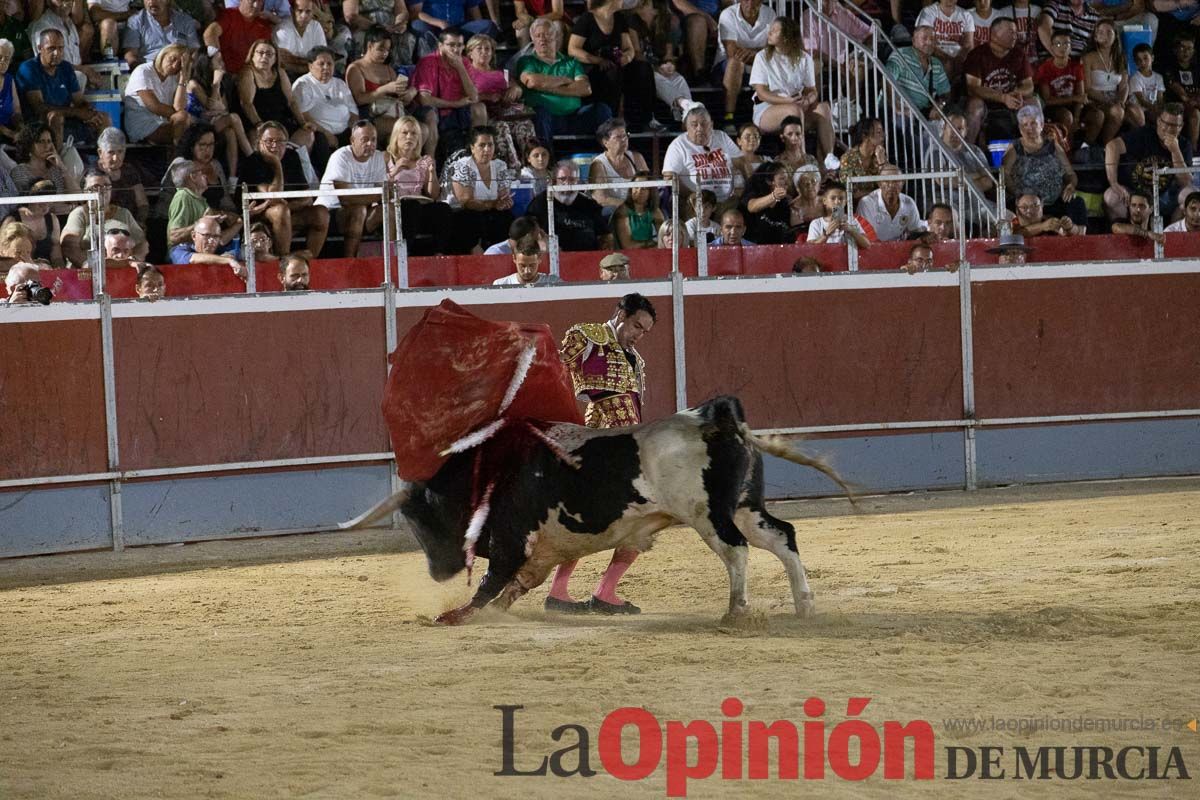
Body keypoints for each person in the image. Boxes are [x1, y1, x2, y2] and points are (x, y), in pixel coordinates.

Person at [548, 292, 657, 614]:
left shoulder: (637, 360)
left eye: (644, 331)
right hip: (594, 444)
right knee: (588, 517)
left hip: (626, 449)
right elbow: (552, 369)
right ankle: (562, 589)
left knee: (642, 518)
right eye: (636, 325)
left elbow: (634, 413)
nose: (638, 335)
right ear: (621, 313)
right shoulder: (587, 335)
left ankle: (603, 591)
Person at [512, 17, 612, 147]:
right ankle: (547, 159)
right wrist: (565, 80)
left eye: (547, 34)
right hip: (547, 119)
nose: (542, 39)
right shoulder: (526, 61)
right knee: (540, 112)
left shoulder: (571, 62)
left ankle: (604, 159)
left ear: (556, 37)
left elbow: (585, 89)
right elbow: (532, 81)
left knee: (602, 109)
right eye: (538, 35)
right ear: (533, 39)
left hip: (574, 117)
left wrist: (546, 86)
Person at [748, 16, 832, 161]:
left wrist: (808, 100)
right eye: (771, 30)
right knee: (794, 110)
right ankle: (802, 157)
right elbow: (761, 93)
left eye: (774, 31)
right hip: (767, 109)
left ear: (786, 37)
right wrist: (786, 101)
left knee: (824, 109)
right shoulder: (762, 57)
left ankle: (828, 159)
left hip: (797, 105)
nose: (769, 33)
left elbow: (812, 90)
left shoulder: (804, 58)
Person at [241, 119, 329, 256]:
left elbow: (307, 197)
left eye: (280, 142)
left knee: (321, 213)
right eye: (269, 141)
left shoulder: (292, 157)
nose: (275, 146)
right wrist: (277, 164)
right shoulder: (253, 161)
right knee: (280, 211)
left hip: (287, 213)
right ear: (259, 143)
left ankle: (310, 261)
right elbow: (273, 196)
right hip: (257, 217)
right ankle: (284, 261)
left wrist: (287, 205)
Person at [569, 0, 656, 131]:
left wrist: (627, 56)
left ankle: (644, 121)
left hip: (616, 64)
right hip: (593, 68)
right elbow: (573, 49)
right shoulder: (588, 18)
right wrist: (597, 60)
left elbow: (629, 48)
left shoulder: (619, 18)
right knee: (612, 72)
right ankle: (611, 122)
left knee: (643, 68)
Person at [16, 29, 109, 145]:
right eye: (51, 48)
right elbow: (39, 108)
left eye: (60, 48)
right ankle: (56, 162)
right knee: (56, 117)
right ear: (40, 48)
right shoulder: (28, 68)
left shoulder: (66, 67)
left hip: (67, 119)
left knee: (103, 117)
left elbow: (79, 101)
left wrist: (89, 113)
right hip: (39, 124)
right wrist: (77, 112)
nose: (56, 53)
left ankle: (102, 159)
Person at [1002, 104, 1088, 229]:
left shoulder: (1053, 146)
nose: (1029, 128)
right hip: (1027, 203)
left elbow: (1070, 174)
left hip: (1054, 200)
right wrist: (1018, 194)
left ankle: (1078, 239)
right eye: (1024, 125)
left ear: (1041, 125)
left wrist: (1070, 185)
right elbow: (1004, 175)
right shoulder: (1015, 148)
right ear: (1020, 129)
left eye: (1033, 124)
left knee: (1077, 203)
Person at [1104, 103, 1192, 222]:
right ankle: (1127, 234)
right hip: (1136, 194)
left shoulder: (1184, 144)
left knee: (1190, 195)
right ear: (1159, 122)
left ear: (1181, 127)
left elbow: (1185, 181)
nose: (1169, 129)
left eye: (1174, 125)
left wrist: (1175, 150)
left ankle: (1173, 235)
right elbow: (1112, 146)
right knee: (1111, 197)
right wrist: (1114, 183)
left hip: (1164, 195)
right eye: (1165, 123)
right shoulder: (1144, 134)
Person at [385, 113, 452, 255]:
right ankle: (405, 254)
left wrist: (432, 172)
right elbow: (381, 186)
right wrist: (395, 169)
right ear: (396, 135)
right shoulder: (386, 157)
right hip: (396, 207)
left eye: (414, 133)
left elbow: (433, 195)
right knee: (411, 207)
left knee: (443, 208)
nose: (409, 137)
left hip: (418, 206)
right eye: (405, 133)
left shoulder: (423, 161)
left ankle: (439, 253)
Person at [318, 119, 386, 256]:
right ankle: (350, 261)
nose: (370, 144)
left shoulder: (378, 157)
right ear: (352, 140)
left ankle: (394, 260)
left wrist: (380, 196)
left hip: (361, 213)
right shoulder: (340, 157)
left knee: (389, 210)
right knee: (358, 210)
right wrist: (378, 196)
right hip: (330, 213)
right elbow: (346, 199)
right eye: (365, 140)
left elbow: (383, 194)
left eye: (374, 140)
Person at [963, 17, 1033, 145]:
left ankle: (1034, 147)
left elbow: (1029, 85)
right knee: (974, 105)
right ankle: (967, 152)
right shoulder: (977, 54)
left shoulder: (1019, 54)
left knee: (1033, 102)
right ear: (994, 35)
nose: (1015, 36)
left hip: (1012, 100)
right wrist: (1002, 97)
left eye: (1016, 33)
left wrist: (1017, 93)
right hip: (986, 102)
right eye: (1010, 32)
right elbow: (973, 88)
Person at [345, 24, 418, 147]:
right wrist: (383, 89)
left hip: (393, 114)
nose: (385, 54)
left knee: (422, 130)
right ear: (369, 46)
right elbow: (359, 99)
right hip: (370, 117)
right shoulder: (356, 68)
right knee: (406, 130)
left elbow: (400, 101)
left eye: (387, 50)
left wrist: (409, 93)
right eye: (381, 49)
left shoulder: (389, 69)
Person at [238, 38, 316, 152]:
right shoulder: (247, 73)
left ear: (275, 58)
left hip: (281, 122)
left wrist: (302, 122)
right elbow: (246, 104)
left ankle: (294, 160)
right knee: (260, 141)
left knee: (308, 134)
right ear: (252, 55)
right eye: (260, 53)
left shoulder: (280, 72)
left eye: (269, 54)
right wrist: (260, 125)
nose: (264, 57)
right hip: (257, 123)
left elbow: (291, 101)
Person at [185, 49, 253, 179]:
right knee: (234, 117)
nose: (222, 63)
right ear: (207, 63)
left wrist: (217, 90)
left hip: (212, 122)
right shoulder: (194, 84)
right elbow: (210, 106)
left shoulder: (219, 82)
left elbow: (223, 109)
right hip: (197, 126)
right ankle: (251, 156)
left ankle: (232, 178)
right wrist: (215, 85)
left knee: (230, 133)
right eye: (218, 60)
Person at [446, 124, 513, 253]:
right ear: (472, 148)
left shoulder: (500, 166)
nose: (487, 149)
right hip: (463, 213)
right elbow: (466, 202)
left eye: (490, 145)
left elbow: (503, 197)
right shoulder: (463, 165)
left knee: (506, 217)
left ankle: (502, 255)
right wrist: (494, 203)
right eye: (482, 145)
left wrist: (505, 203)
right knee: (470, 218)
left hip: (490, 211)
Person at [61, 169, 149, 266]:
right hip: (87, 272)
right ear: (85, 191)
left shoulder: (124, 213)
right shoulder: (79, 214)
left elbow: (142, 244)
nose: (102, 191)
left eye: (107, 186)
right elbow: (69, 247)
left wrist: (134, 259)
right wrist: (89, 265)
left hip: (121, 270)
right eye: (96, 187)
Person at [662, 103, 743, 205]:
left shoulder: (721, 137)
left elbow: (740, 162)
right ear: (686, 127)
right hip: (694, 202)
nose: (699, 128)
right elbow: (669, 176)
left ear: (711, 125)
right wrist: (692, 196)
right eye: (694, 125)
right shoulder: (678, 145)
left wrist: (740, 187)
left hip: (727, 201)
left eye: (704, 124)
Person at [413, 27, 482, 146]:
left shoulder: (464, 62)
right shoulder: (428, 62)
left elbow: (474, 97)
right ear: (440, 46)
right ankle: (431, 160)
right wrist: (455, 104)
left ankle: (475, 151)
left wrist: (460, 68)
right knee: (430, 114)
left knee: (479, 108)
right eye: (451, 45)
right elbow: (424, 100)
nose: (456, 50)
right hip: (435, 108)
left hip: (458, 110)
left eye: (459, 45)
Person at [715, 0, 775, 131]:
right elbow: (732, 51)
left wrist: (756, 54)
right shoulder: (728, 14)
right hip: (726, 66)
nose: (750, 2)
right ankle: (729, 116)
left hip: (758, 65)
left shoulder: (770, 14)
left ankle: (767, 120)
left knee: (774, 63)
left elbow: (773, 48)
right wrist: (759, 53)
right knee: (736, 62)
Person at [291, 46, 357, 159]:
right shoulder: (303, 84)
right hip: (320, 134)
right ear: (310, 66)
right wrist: (327, 134)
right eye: (321, 64)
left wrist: (355, 132)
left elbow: (353, 113)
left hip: (345, 132)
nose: (326, 67)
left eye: (330, 64)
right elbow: (304, 116)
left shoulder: (340, 84)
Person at [529, 159, 610, 251]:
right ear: (554, 181)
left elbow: (605, 235)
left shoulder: (589, 204)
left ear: (578, 182)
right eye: (562, 179)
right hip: (553, 259)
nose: (567, 184)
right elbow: (527, 234)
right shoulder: (539, 204)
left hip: (587, 258)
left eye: (572, 179)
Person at [123, 42, 192, 144]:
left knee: (185, 120)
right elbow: (154, 106)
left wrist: (183, 78)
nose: (174, 66)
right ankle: (177, 155)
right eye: (172, 59)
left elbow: (179, 107)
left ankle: (178, 154)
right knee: (183, 119)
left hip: (164, 122)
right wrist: (179, 115)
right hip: (143, 124)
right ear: (163, 55)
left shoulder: (174, 77)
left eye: (179, 64)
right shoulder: (143, 71)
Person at [1081, 19, 1136, 145]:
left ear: (1115, 36)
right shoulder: (1088, 58)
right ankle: (1106, 144)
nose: (1104, 36)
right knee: (1117, 111)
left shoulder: (1121, 57)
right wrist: (1109, 101)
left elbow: (1124, 86)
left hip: (1116, 98)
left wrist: (1121, 101)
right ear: (1095, 36)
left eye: (1109, 32)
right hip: (1095, 98)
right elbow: (1087, 88)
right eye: (1100, 32)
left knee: (1137, 114)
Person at [167, 158, 242, 247]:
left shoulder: (201, 201)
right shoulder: (183, 195)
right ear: (193, 177)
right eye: (201, 173)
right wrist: (202, 222)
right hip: (183, 254)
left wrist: (242, 219)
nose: (206, 176)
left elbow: (220, 240)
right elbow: (173, 237)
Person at [885, 24, 951, 118]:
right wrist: (896, 107)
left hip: (922, 115)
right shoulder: (900, 55)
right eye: (924, 38)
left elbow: (946, 93)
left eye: (932, 39)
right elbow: (887, 80)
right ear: (913, 40)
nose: (929, 42)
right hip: (895, 113)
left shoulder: (937, 64)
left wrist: (940, 105)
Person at [589, 117, 651, 213]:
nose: (624, 140)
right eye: (618, 137)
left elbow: (649, 187)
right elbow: (601, 199)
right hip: (615, 211)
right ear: (605, 142)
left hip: (638, 207)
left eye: (625, 136)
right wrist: (629, 207)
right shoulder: (598, 164)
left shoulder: (637, 158)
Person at [9, 122, 80, 204]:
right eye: (41, 141)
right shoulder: (19, 171)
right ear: (29, 145)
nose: (46, 146)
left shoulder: (56, 170)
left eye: (49, 141)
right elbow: (27, 204)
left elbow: (77, 198)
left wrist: (62, 168)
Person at [855, 164, 926, 242]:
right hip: (872, 248)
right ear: (879, 183)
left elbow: (916, 232)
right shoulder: (867, 203)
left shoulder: (909, 203)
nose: (891, 185)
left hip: (898, 249)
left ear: (902, 183)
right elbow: (864, 236)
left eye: (896, 181)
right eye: (886, 181)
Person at [122, 0, 202, 68]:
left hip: (179, 70)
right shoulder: (135, 22)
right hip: (150, 70)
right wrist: (142, 72)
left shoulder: (185, 21)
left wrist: (186, 70)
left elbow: (194, 51)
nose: (152, 2)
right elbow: (130, 55)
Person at [1036, 29, 1086, 133]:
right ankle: (1068, 148)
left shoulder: (1076, 67)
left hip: (1073, 105)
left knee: (1097, 116)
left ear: (1071, 47)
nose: (1062, 47)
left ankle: (1085, 146)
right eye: (1058, 44)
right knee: (1067, 117)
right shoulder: (1044, 68)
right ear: (1052, 48)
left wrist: (1077, 117)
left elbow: (1081, 96)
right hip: (1054, 108)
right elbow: (1047, 100)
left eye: (1066, 44)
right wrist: (1074, 98)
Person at [205, 0, 274, 74]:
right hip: (222, 71)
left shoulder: (263, 26)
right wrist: (216, 56)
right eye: (252, 1)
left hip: (247, 75)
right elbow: (210, 33)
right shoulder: (229, 15)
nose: (256, 5)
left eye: (260, 1)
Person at [5, 181, 62, 266]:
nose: (45, 209)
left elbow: (56, 254)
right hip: (19, 269)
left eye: (49, 205)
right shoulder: (12, 220)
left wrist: (59, 270)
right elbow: (4, 253)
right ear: (31, 199)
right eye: (41, 205)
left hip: (46, 268)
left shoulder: (52, 219)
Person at [169, 214, 247, 276]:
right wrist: (228, 261)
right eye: (206, 235)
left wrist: (231, 257)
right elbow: (193, 259)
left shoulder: (220, 250)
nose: (211, 240)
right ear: (193, 236)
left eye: (216, 236)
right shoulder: (178, 250)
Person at [915, 0, 975, 80]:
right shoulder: (928, 12)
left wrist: (959, 58)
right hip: (935, 53)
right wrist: (947, 58)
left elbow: (969, 44)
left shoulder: (966, 15)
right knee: (947, 65)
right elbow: (925, 42)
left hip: (958, 55)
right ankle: (945, 91)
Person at [740, 160, 795, 244]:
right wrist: (774, 196)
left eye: (787, 178)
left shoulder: (785, 202)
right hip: (753, 246)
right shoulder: (754, 194)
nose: (786, 182)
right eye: (782, 178)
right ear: (769, 181)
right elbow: (752, 207)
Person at [806, 180, 871, 248]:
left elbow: (867, 245)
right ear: (824, 201)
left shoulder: (852, 221)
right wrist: (826, 234)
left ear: (845, 202)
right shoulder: (816, 223)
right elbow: (810, 248)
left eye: (841, 198)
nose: (837, 202)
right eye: (833, 198)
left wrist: (851, 230)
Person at [274, 0, 327, 77]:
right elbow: (283, 62)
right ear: (292, 11)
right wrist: (311, 64)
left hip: (313, 74)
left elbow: (322, 58)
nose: (304, 16)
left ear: (313, 12)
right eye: (300, 11)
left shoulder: (316, 26)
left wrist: (294, 59)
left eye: (308, 11)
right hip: (287, 74)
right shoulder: (283, 28)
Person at [837, 116, 888, 196]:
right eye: (878, 132)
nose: (883, 135)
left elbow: (889, 186)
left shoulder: (879, 155)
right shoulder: (848, 158)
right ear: (864, 136)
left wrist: (882, 162)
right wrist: (878, 194)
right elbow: (851, 193)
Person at [612, 173, 662, 249]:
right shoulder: (622, 211)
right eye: (636, 187)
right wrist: (649, 243)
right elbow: (627, 245)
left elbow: (663, 239)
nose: (639, 191)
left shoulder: (655, 211)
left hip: (651, 254)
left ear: (650, 192)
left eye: (644, 188)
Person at [491, 233, 561, 286]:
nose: (527, 271)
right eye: (522, 265)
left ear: (539, 259)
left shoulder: (554, 283)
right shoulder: (501, 285)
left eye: (532, 265)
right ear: (514, 259)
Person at [1013, 192, 1082, 236]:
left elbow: (1078, 233)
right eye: (1024, 207)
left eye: (1035, 206)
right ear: (1017, 210)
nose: (1030, 210)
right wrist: (1042, 226)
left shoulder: (1050, 220)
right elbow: (1015, 234)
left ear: (1042, 206)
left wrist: (1070, 227)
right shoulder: (1011, 224)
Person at [1130, 42, 1165, 121]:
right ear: (1135, 62)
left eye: (1145, 58)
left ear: (1152, 58)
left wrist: (1161, 108)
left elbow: (1160, 98)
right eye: (1139, 60)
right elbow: (1142, 101)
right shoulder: (1135, 78)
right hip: (1141, 110)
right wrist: (1156, 109)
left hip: (1154, 109)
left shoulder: (1159, 77)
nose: (1142, 62)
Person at [0, 38, 25, 146]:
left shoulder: (10, 80)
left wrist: (20, 128)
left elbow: (16, 111)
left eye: (7, 58)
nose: (2, 61)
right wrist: (9, 133)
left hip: (8, 131)